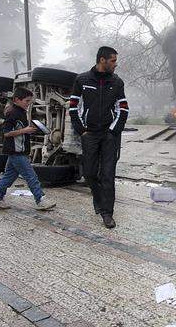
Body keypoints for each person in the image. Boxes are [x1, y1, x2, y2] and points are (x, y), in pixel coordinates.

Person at [69, 46, 129, 229]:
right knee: (88, 173)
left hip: (109, 136)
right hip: (90, 135)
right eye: (113, 61)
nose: (115, 64)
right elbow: (73, 106)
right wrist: (82, 131)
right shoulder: (82, 80)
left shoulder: (117, 82)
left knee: (108, 175)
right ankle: (99, 200)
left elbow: (123, 108)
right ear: (102, 60)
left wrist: (113, 131)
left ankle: (107, 213)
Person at [0, 87, 56, 210]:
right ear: (17, 100)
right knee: (31, 176)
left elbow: (17, 131)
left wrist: (28, 131)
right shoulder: (12, 113)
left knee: (9, 177)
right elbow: (6, 133)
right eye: (26, 101)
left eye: (30, 101)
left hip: (18, 151)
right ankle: (40, 200)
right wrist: (25, 130)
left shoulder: (21, 112)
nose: (28, 104)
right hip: (16, 152)